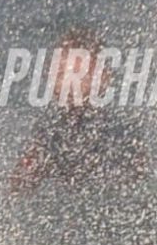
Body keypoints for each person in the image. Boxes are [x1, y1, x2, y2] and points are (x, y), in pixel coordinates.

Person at [8, 29, 148, 192]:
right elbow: (20, 183)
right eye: (61, 74)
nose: (69, 84)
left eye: (79, 74)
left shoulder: (122, 134)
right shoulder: (47, 132)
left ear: (104, 78)